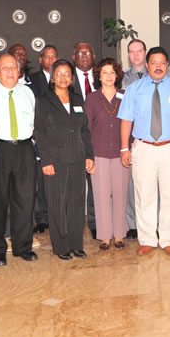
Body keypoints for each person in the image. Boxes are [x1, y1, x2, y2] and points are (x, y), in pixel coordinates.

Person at [119, 47, 170, 256]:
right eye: (154, 62)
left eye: (162, 62)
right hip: (143, 148)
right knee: (144, 195)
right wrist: (125, 147)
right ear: (147, 64)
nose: (158, 66)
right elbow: (126, 120)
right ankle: (148, 239)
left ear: (168, 64)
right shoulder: (134, 89)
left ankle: (169, 239)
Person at [34, 59, 95, 259]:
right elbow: (40, 133)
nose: (63, 77)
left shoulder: (78, 99)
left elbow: (84, 129)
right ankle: (60, 246)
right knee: (57, 204)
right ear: (52, 77)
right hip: (55, 160)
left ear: (72, 78)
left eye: (67, 74)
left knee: (77, 203)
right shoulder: (44, 101)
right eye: (59, 73)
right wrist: (46, 161)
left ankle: (76, 244)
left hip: (77, 158)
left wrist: (89, 155)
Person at [0, 54, 38, 265]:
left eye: (13, 68)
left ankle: (22, 246)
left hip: (25, 148)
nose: (9, 71)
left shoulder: (28, 93)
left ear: (19, 71)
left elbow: (33, 122)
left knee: (25, 200)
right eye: (5, 68)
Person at [85, 58, 130, 250]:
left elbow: (131, 123)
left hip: (121, 154)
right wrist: (88, 156)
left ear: (117, 75)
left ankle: (119, 234)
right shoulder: (92, 99)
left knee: (120, 195)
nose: (109, 76)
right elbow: (85, 129)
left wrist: (129, 148)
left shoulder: (125, 96)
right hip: (99, 154)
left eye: (112, 72)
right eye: (105, 72)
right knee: (101, 196)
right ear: (99, 76)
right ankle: (104, 236)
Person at [71, 42, 98, 238]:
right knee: (74, 187)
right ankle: (74, 225)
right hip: (73, 140)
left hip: (98, 140)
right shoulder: (66, 78)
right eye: (81, 53)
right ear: (74, 57)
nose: (85, 56)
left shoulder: (103, 76)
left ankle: (96, 222)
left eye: (88, 53)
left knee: (96, 184)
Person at [30, 45, 58, 235]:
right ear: (41, 60)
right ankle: (41, 218)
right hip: (40, 132)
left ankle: (58, 214)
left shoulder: (64, 77)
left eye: (53, 56)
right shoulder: (33, 80)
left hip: (61, 134)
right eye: (46, 57)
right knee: (41, 176)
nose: (50, 60)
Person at [121, 38, 147, 240]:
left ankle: (151, 223)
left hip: (151, 134)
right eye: (132, 52)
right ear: (128, 55)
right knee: (131, 183)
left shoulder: (157, 74)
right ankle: (132, 224)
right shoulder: (121, 78)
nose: (136, 55)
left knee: (150, 183)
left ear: (145, 52)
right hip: (130, 135)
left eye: (139, 51)